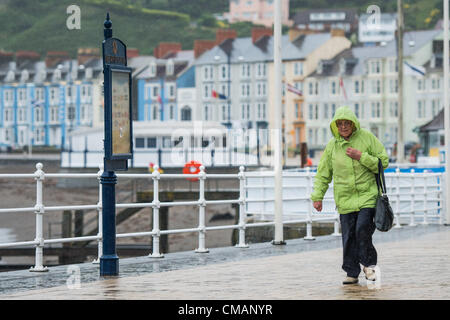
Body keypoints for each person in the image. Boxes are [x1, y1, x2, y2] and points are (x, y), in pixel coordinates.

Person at [310, 106, 389, 285]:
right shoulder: (332, 146)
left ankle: (369, 266)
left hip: (367, 196)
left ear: (354, 124)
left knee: (362, 230)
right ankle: (352, 272)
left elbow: (383, 162)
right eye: (340, 124)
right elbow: (323, 174)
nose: (344, 127)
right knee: (348, 236)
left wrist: (361, 156)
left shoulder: (367, 138)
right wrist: (317, 196)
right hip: (344, 198)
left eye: (347, 123)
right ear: (335, 126)